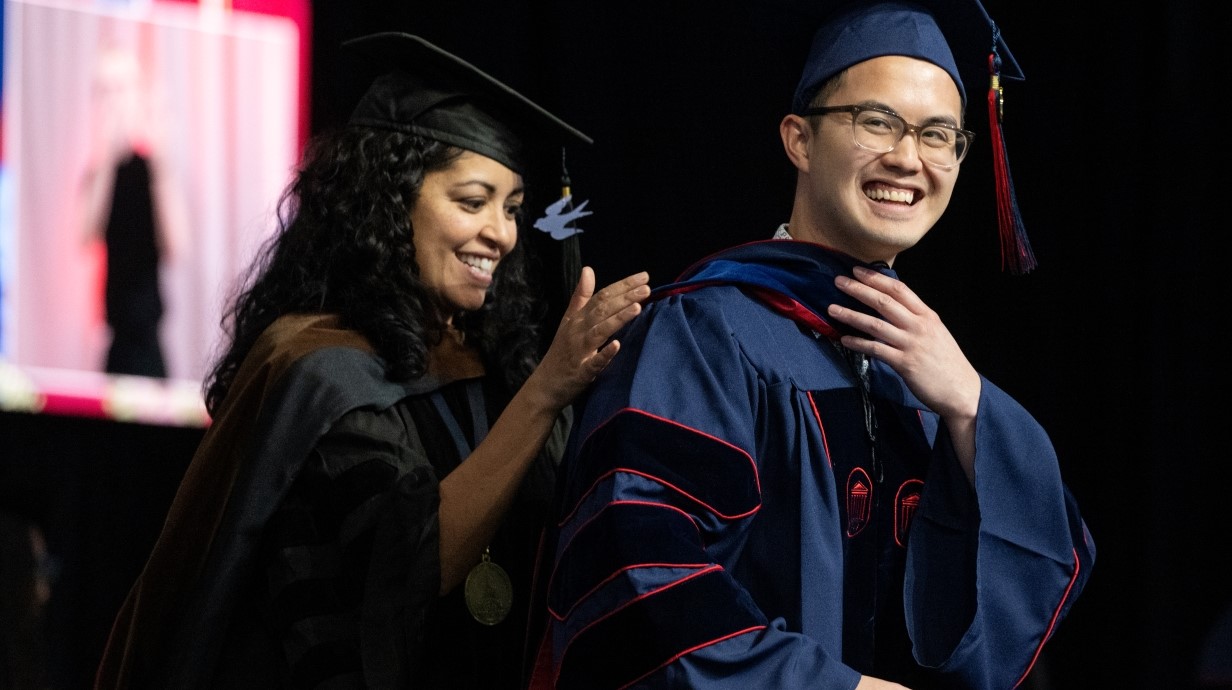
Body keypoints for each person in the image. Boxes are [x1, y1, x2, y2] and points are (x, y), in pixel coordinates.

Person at [533, 1, 1094, 688]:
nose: (908, 158)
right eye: (877, 122)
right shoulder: (709, 334)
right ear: (799, 139)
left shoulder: (925, 369)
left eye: (939, 135)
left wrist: (973, 407)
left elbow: (1033, 569)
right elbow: (637, 567)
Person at [93, 32, 649, 689]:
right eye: (472, 202)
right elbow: (414, 563)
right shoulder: (320, 374)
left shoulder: (499, 373)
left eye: (513, 209)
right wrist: (548, 391)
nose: (500, 233)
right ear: (390, 202)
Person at [78, 45, 188, 378]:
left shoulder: (153, 170)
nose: (113, 101)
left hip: (150, 341)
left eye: (121, 88)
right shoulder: (99, 173)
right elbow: (86, 235)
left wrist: (161, 163)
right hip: (116, 339)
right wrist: (106, 156)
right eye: (104, 91)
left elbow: (177, 246)